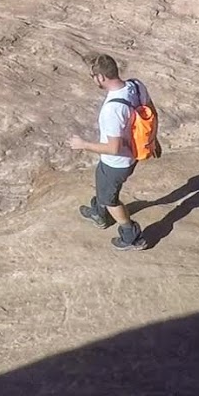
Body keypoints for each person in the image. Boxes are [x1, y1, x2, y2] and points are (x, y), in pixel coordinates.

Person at [66, 53, 151, 251]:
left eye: (93, 76)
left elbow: (113, 148)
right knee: (101, 179)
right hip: (133, 153)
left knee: (110, 199)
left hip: (117, 163)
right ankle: (98, 211)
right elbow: (149, 111)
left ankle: (131, 235)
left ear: (101, 78)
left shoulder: (112, 110)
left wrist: (83, 144)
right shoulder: (136, 85)